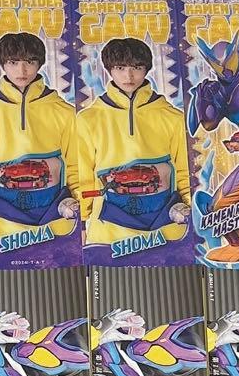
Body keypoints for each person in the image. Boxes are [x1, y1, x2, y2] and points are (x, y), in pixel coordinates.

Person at [75, 37, 192, 248]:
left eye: (136, 68)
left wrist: (191, 214)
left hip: (165, 228)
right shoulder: (88, 119)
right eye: (120, 68)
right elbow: (84, 175)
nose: (128, 76)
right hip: (109, 230)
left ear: (147, 69)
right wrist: (81, 222)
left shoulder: (172, 117)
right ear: (109, 69)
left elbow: (184, 172)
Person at [0, 32, 79, 245]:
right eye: (13, 62)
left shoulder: (64, 112)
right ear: (2, 63)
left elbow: (75, 166)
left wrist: (82, 214)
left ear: (40, 64)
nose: (22, 70)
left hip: (53, 223)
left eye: (30, 62)